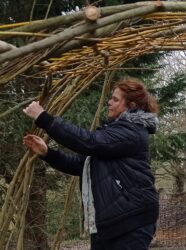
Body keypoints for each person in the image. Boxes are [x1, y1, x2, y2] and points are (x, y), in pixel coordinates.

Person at [23, 78, 159, 250]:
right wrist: (47, 153)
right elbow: (80, 165)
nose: (109, 103)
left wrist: (44, 118)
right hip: (110, 223)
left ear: (131, 106)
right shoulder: (113, 132)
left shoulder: (132, 131)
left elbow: (90, 141)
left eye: (115, 99)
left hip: (131, 221)